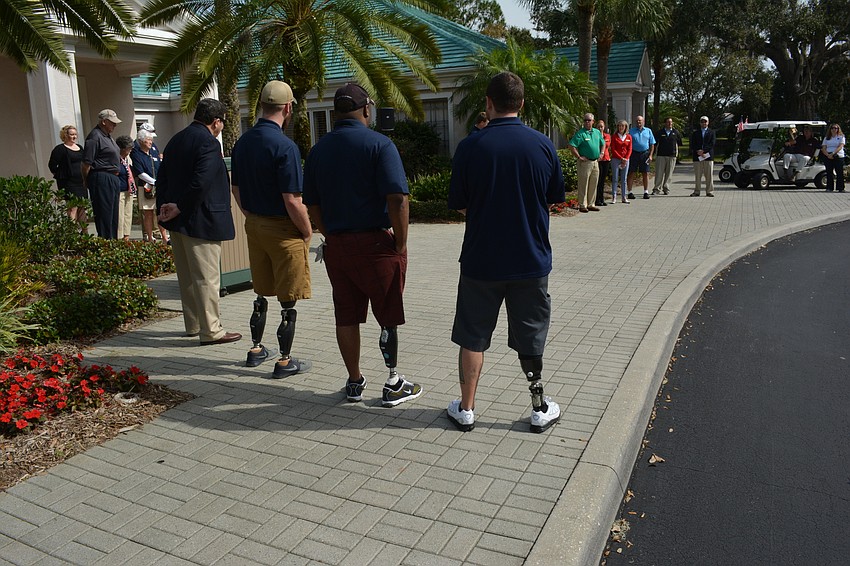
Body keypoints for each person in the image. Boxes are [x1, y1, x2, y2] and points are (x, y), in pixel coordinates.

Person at [446, 71, 565, 433]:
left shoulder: (470, 147)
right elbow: (553, 200)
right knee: (530, 334)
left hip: (481, 261)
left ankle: (466, 409)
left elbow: (460, 205)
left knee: (472, 334)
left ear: (488, 102)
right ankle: (538, 405)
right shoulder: (543, 145)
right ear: (522, 103)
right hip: (530, 260)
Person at [303, 83, 422, 408]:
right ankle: (393, 381)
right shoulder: (380, 144)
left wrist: (330, 232)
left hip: (339, 246)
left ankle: (354, 380)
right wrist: (400, 242)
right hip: (375, 243)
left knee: (346, 315)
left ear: (335, 112)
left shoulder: (318, 150)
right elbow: (397, 198)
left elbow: (311, 204)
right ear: (367, 109)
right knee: (388, 315)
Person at [231, 81, 313, 378]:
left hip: (254, 224)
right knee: (288, 295)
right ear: (288, 108)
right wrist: (307, 231)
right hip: (282, 227)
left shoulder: (243, 142)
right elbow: (292, 199)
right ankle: (284, 359)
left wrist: (249, 213)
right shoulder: (285, 146)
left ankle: (256, 349)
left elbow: (235, 187)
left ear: (261, 106)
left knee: (261, 289)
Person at [156, 98, 241, 346]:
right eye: (222, 123)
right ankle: (212, 330)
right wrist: (180, 205)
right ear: (216, 122)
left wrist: (166, 208)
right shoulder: (208, 143)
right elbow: (201, 181)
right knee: (206, 278)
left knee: (187, 277)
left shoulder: (176, 139)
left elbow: (162, 177)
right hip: (201, 219)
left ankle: (193, 325)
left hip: (177, 221)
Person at [81, 109, 123, 238]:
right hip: (101, 177)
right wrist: (87, 180)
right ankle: (105, 242)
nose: (114, 125)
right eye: (112, 123)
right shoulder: (95, 137)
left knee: (113, 215)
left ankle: (113, 241)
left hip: (113, 177)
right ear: (104, 122)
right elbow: (86, 163)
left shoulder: (108, 136)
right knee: (104, 213)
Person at [132, 127, 169, 244]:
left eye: (151, 139)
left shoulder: (153, 150)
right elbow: (140, 172)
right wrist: (154, 182)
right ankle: (149, 237)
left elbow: (159, 163)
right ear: (142, 141)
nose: (151, 142)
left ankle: (164, 237)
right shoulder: (137, 153)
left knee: (160, 211)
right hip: (146, 186)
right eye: (148, 140)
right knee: (148, 213)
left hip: (158, 185)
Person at [48, 125, 88, 230]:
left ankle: (85, 233)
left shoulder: (80, 147)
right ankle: (72, 233)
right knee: (72, 208)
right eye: (71, 134)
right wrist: (62, 176)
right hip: (69, 183)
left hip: (81, 182)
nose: (74, 137)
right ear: (65, 135)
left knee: (82, 207)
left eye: (75, 134)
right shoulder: (60, 149)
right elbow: (52, 165)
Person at [569, 112, 605, 213]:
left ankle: (591, 204)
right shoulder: (581, 133)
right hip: (585, 163)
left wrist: (602, 153)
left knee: (593, 184)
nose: (587, 122)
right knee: (583, 184)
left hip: (595, 162)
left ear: (593, 122)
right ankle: (582, 204)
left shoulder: (597, 132)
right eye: (585, 120)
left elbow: (603, 143)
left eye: (589, 120)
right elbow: (572, 145)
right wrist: (579, 156)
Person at [627, 115, 656, 200]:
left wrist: (650, 155)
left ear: (643, 122)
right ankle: (630, 192)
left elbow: (652, 144)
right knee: (631, 172)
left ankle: (646, 192)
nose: (638, 122)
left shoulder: (648, 131)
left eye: (640, 121)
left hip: (645, 154)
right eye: (637, 121)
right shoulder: (631, 131)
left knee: (645, 173)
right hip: (634, 154)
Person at [115, 135, 137, 241]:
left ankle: (126, 236)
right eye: (129, 148)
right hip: (119, 190)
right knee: (120, 215)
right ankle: (119, 237)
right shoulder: (115, 158)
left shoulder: (127, 159)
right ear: (122, 148)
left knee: (128, 214)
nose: (131, 150)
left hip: (129, 189)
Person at [652, 117, 681, 195]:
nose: (670, 124)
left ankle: (666, 188)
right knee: (659, 173)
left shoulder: (676, 132)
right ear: (665, 123)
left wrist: (677, 154)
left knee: (669, 174)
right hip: (661, 155)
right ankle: (656, 189)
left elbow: (678, 143)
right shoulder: (659, 132)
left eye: (671, 122)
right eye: (668, 122)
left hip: (672, 156)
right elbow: (655, 144)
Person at [690, 116, 716, 197]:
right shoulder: (695, 133)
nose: (703, 123)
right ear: (700, 123)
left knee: (709, 175)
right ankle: (697, 191)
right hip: (697, 157)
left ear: (708, 122)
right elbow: (692, 144)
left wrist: (704, 151)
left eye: (705, 122)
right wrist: (698, 151)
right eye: (702, 122)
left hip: (708, 156)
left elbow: (712, 143)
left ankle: (709, 191)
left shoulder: (712, 132)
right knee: (698, 175)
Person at [610, 120, 632, 204]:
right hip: (616, 159)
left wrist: (626, 158)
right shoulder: (614, 136)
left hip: (626, 160)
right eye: (619, 126)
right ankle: (614, 196)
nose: (620, 127)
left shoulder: (629, 137)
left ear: (625, 127)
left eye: (622, 126)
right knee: (615, 178)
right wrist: (621, 158)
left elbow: (629, 149)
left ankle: (624, 197)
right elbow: (613, 149)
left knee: (624, 179)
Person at [822, 124, 846, 192]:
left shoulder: (841, 137)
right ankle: (829, 187)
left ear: (838, 129)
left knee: (839, 172)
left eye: (836, 128)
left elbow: (840, 146)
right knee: (829, 172)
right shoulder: (827, 137)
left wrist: (833, 153)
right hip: (828, 155)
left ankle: (840, 188)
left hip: (838, 155)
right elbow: (824, 148)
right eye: (832, 128)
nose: (834, 129)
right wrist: (828, 155)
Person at [595, 119, 611, 207]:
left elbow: (606, 145)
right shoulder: (594, 136)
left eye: (602, 127)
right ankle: (597, 199)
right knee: (597, 180)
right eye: (599, 127)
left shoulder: (607, 136)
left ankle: (602, 198)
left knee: (603, 181)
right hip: (598, 160)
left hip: (606, 159)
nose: (600, 128)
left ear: (604, 127)